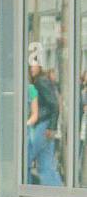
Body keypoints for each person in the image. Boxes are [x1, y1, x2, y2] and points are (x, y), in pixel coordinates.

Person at [26, 51, 62, 186]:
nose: (31, 68)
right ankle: (58, 192)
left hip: (43, 125)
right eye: (30, 66)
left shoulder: (40, 81)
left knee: (27, 158)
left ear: (40, 66)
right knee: (46, 165)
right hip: (46, 125)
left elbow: (54, 104)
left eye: (34, 65)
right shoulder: (42, 81)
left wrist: (51, 127)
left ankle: (26, 189)